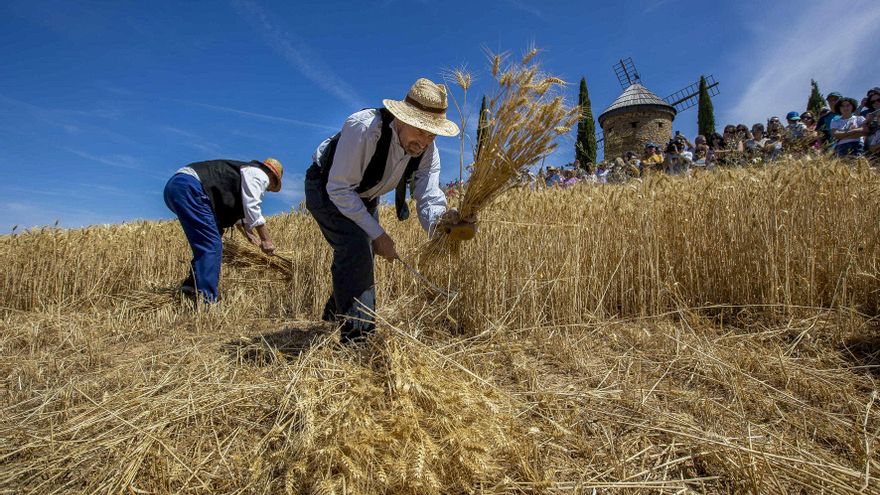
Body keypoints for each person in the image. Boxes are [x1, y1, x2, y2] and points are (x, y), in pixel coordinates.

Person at [304, 77, 474, 343]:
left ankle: (334, 315)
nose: (425, 141)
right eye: (421, 130)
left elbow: (428, 196)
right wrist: (378, 235)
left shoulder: (428, 151)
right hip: (327, 187)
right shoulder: (364, 128)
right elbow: (339, 189)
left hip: (365, 196)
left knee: (360, 255)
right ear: (402, 119)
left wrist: (443, 226)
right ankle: (358, 341)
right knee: (357, 247)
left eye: (432, 134)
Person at [163, 157, 284, 303]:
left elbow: (240, 209)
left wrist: (249, 234)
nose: (269, 189)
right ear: (271, 175)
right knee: (211, 245)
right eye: (272, 185)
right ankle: (207, 300)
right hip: (191, 187)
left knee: (211, 236)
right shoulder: (259, 174)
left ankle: (192, 284)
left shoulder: (245, 172)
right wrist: (266, 240)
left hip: (177, 187)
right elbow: (252, 206)